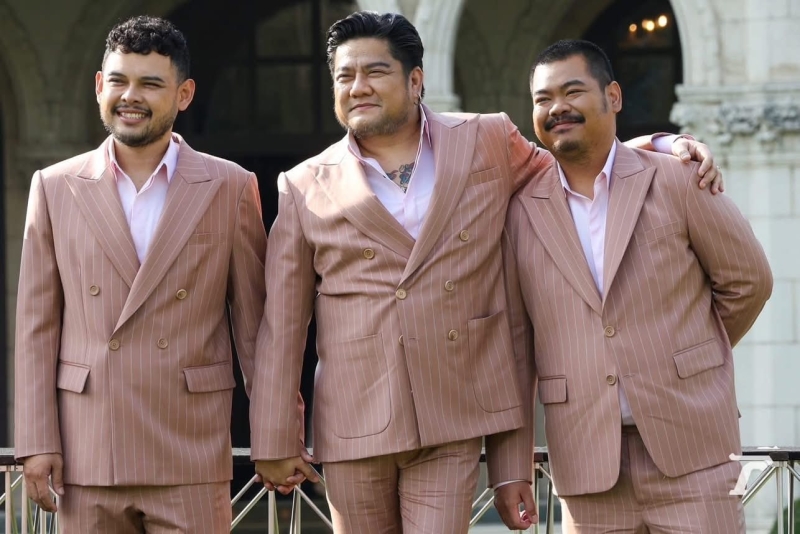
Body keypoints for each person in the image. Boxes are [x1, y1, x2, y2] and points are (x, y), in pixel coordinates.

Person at [249, 12, 720, 534]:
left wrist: (657, 146)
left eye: (375, 72)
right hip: (353, 418)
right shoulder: (303, 183)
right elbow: (282, 324)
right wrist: (274, 436)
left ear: (415, 79)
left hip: (452, 413)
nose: (358, 87)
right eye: (344, 76)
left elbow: (571, 165)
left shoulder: (486, 137)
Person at [496, 39, 773, 533]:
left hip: (694, 452)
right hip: (586, 464)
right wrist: (511, 467)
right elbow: (516, 347)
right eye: (543, 99)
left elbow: (749, 282)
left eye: (573, 91)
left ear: (614, 96)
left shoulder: (679, 179)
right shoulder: (519, 212)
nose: (557, 107)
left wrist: (685, 355)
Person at [13, 16, 267, 532]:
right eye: (119, 81)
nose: (131, 96)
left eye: (150, 83)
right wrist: (36, 441)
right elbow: (36, 327)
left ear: (184, 94)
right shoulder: (55, 186)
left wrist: (277, 435)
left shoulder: (231, 186)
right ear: (98, 86)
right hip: (88, 447)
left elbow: (256, 331)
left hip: (190, 447)